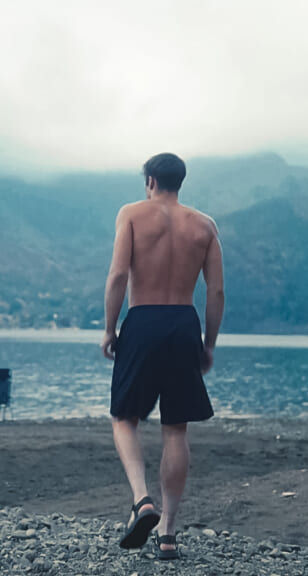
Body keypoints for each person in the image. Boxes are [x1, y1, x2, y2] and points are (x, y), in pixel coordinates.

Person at [100, 152, 224, 560]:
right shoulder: (204, 226)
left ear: (150, 180)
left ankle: (142, 501)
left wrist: (109, 328)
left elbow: (118, 274)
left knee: (124, 417)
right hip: (184, 323)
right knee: (176, 429)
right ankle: (168, 533)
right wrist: (208, 344)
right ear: (180, 182)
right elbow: (217, 292)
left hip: (143, 319)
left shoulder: (132, 214)